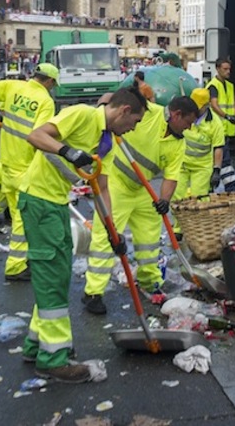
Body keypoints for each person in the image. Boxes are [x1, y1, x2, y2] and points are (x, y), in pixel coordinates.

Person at [18, 87, 148, 384]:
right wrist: (67, 151)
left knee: (58, 275)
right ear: (124, 111)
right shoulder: (83, 114)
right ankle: (53, 360)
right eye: (135, 122)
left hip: (55, 203)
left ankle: (37, 344)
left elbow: (100, 187)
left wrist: (113, 231)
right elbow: (36, 135)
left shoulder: (108, 143)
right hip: (40, 202)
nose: (133, 128)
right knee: (53, 276)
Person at [82, 93, 198, 314]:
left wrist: (164, 200)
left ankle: (149, 281)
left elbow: (171, 176)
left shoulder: (178, 143)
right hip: (116, 183)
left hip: (144, 190)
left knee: (149, 240)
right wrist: (104, 108)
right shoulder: (147, 113)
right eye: (188, 122)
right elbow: (113, 99)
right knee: (107, 237)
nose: (189, 128)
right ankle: (93, 292)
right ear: (176, 114)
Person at [0, 63, 59, 282]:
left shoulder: (13, 86)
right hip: (26, 168)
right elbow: (40, 136)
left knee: (18, 217)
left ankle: (27, 258)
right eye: (53, 84)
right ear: (50, 81)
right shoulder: (45, 101)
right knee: (24, 221)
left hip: (7, 164)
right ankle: (15, 267)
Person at [171, 88, 225, 235]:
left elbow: (218, 148)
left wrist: (216, 170)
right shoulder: (185, 116)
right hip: (182, 163)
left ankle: (198, 230)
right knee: (178, 197)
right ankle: (178, 229)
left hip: (202, 166)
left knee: (200, 198)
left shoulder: (215, 124)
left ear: (206, 106)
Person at [206, 58, 235, 192]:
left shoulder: (229, 86)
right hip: (215, 129)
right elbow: (214, 105)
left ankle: (217, 187)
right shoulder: (213, 86)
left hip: (226, 129)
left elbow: (232, 105)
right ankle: (230, 187)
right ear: (217, 68)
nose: (228, 71)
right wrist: (227, 116)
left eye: (229, 69)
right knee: (224, 159)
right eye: (225, 69)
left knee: (223, 160)